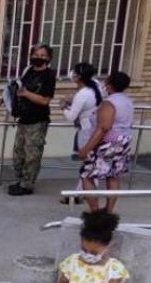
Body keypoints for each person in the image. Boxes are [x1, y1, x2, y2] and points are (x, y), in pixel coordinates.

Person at [78, 72, 134, 213]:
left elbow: (103, 127)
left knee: (87, 175)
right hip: (124, 141)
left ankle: (95, 212)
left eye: (106, 82)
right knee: (113, 175)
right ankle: (108, 211)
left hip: (109, 143)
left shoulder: (109, 103)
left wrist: (87, 148)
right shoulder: (127, 101)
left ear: (110, 84)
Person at [8, 44, 57, 196]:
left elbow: (45, 100)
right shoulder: (28, 71)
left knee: (32, 154)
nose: (39, 58)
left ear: (48, 58)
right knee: (18, 152)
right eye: (36, 54)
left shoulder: (49, 75)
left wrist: (26, 94)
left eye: (43, 55)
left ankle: (27, 184)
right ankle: (19, 179)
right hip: (23, 118)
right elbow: (19, 89)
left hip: (37, 120)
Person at [60, 62, 103, 205]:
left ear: (79, 76)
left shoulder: (83, 94)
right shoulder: (96, 85)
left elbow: (71, 116)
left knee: (88, 163)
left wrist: (63, 107)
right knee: (92, 162)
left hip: (86, 130)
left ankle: (82, 193)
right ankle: (83, 191)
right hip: (96, 128)